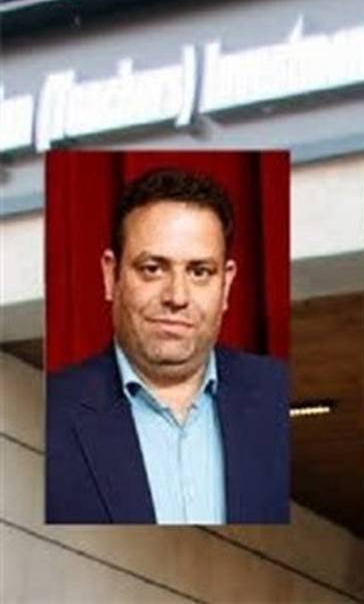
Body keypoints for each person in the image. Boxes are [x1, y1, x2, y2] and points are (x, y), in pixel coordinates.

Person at [45, 166, 289, 524]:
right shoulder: (49, 411)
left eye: (199, 272)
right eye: (153, 269)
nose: (177, 296)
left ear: (226, 284)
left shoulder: (280, 394)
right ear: (111, 275)